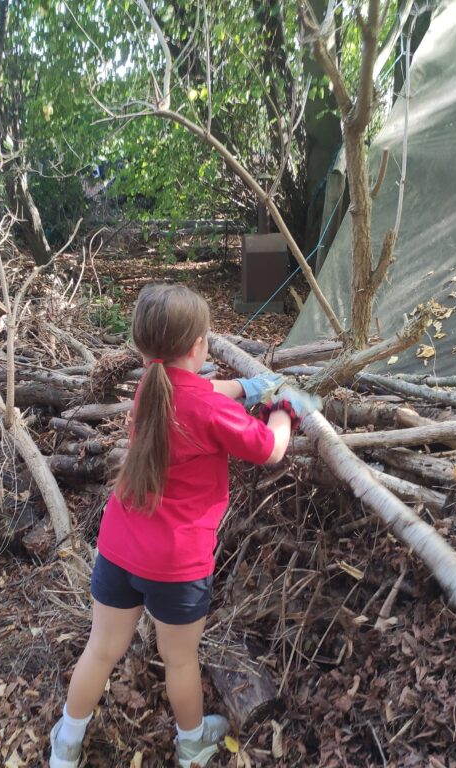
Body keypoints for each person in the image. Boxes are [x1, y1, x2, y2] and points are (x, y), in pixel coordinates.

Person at [48, 283, 319, 768]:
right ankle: (192, 743)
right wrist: (284, 408)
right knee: (180, 660)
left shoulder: (149, 384)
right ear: (199, 346)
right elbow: (270, 449)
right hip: (176, 561)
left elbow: (199, 390)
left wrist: (248, 388)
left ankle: (66, 744)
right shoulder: (208, 408)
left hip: (118, 548)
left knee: (102, 648)